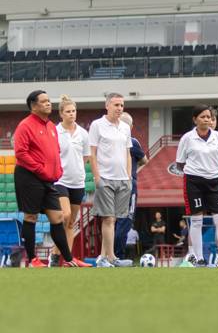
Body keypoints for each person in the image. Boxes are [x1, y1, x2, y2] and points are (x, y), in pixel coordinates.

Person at [13, 90, 81, 267]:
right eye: (43, 101)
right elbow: (20, 153)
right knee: (31, 217)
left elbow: (55, 152)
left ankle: (68, 258)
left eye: (49, 100)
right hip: (28, 177)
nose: (48, 104)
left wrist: (57, 170)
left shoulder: (51, 126)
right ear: (34, 106)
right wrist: (39, 169)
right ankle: (33, 259)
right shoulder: (25, 125)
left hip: (48, 179)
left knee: (58, 217)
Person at [176, 104, 218, 267]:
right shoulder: (187, 138)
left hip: (215, 182)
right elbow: (180, 163)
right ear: (195, 119)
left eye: (209, 117)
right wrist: (197, 172)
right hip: (193, 182)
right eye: (203, 116)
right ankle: (199, 258)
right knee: (196, 221)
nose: (207, 119)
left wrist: (212, 172)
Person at [89, 92, 133, 267]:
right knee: (108, 219)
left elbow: (128, 153)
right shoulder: (97, 125)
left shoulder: (125, 127)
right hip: (105, 178)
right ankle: (111, 258)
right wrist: (97, 177)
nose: (119, 108)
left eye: (122, 105)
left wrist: (129, 178)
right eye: (116, 105)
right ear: (107, 106)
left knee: (114, 220)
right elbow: (92, 153)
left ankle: (105, 258)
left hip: (123, 180)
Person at [49, 95, 92, 267]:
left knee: (71, 222)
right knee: (64, 215)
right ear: (61, 114)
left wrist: (78, 168)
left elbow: (86, 155)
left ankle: (67, 260)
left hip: (78, 182)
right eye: (68, 111)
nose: (71, 114)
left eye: (73, 111)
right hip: (60, 180)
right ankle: (54, 253)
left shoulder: (83, 133)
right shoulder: (54, 131)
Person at [114, 112, 148, 260]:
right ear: (131, 126)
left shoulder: (109, 140)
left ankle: (108, 255)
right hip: (128, 183)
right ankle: (118, 256)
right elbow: (145, 160)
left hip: (110, 182)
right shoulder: (132, 141)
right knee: (125, 220)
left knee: (110, 222)